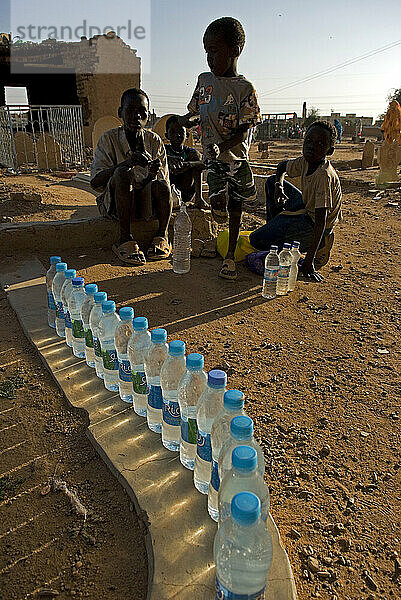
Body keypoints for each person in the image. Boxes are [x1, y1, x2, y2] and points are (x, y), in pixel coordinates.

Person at [179, 17, 261, 280]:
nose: (209, 58)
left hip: (236, 158)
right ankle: (217, 203)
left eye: (214, 50)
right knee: (216, 197)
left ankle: (229, 258)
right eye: (206, 51)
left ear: (235, 50)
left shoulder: (244, 89)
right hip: (213, 158)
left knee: (238, 204)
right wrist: (183, 121)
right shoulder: (204, 81)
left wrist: (221, 145)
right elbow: (196, 113)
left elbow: (245, 130)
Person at [249, 120, 342, 282]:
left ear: (330, 150)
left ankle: (321, 244)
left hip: (317, 224)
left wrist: (308, 262)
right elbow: (282, 167)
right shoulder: (307, 161)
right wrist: (279, 186)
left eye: (320, 143)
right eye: (309, 141)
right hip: (308, 208)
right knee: (272, 182)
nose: (312, 146)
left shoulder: (323, 175)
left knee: (257, 240)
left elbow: (321, 221)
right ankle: (275, 231)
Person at [90, 88, 172, 265]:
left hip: (143, 205)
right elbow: (95, 182)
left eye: (142, 111)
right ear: (120, 112)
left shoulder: (154, 141)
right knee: (122, 173)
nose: (136, 116)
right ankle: (125, 238)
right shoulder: (108, 139)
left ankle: (162, 235)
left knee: (162, 185)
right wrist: (127, 163)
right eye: (130, 110)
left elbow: (162, 183)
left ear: (148, 115)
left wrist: (151, 174)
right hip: (114, 206)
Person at [164, 115, 207, 208]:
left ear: (186, 135)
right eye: (172, 132)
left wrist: (187, 165)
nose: (177, 135)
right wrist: (167, 160)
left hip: (185, 191)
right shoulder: (164, 150)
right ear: (166, 136)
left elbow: (204, 163)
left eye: (181, 132)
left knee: (196, 161)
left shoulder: (190, 152)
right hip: (166, 191)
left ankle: (199, 199)